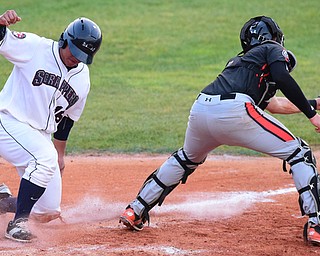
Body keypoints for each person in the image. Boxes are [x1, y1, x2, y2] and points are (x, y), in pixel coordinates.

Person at [119, 15, 320, 246]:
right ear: (271, 37)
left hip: (201, 109)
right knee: (300, 152)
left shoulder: (240, 64)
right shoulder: (271, 48)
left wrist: (313, 102)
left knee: (186, 158)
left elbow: (275, 104)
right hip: (235, 110)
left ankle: (135, 210)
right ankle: (316, 225)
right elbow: (283, 77)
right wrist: (312, 116)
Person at [0, 10, 102, 242]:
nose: (76, 58)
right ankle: (17, 224)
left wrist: (61, 155)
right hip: (7, 121)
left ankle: (4, 202)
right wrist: (0, 23)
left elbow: (66, 119)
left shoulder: (82, 77)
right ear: (64, 39)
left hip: (38, 136)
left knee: (47, 211)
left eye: (83, 56)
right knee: (44, 158)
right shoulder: (35, 47)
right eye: (74, 52)